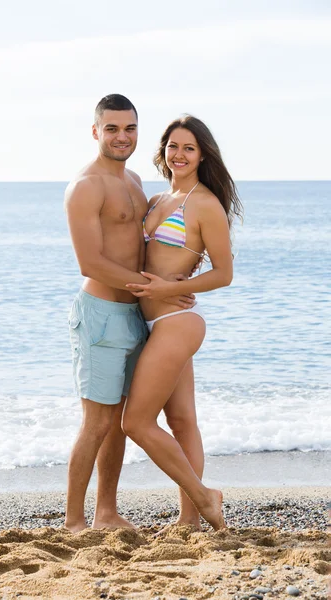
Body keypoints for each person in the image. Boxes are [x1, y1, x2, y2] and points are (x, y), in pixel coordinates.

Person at [64, 95, 196, 532]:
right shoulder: (86, 186)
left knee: (120, 421)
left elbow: (152, 248)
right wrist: (151, 288)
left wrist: (176, 283)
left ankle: (107, 511)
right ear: (96, 131)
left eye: (130, 129)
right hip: (102, 312)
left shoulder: (137, 181)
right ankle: (74, 521)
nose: (122, 137)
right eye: (113, 128)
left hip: (137, 313)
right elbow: (91, 263)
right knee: (96, 420)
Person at [122, 115, 243, 531]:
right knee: (182, 420)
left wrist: (173, 287)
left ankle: (203, 497)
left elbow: (224, 273)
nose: (179, 154)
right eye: (173, 146)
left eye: (189, 148)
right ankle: (190, 519)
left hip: (177, 320)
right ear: (164, 151)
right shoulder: (156, 201)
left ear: (203, 154)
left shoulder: (205, 204)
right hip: (154, 322)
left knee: (135, 422)